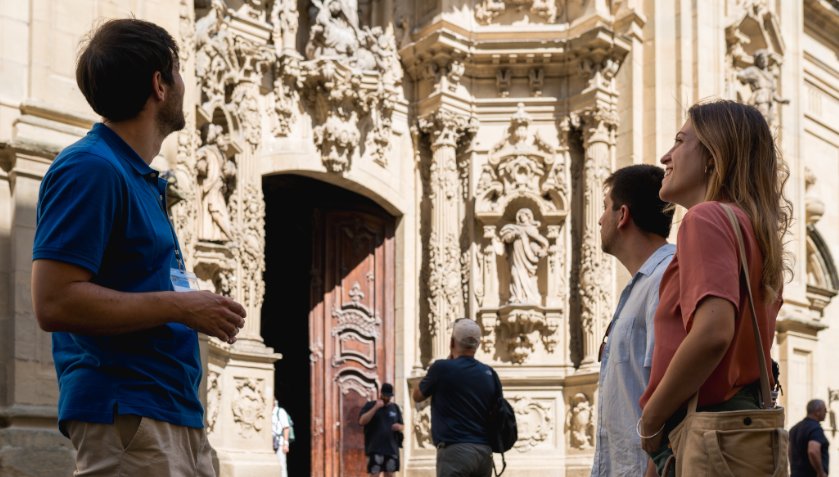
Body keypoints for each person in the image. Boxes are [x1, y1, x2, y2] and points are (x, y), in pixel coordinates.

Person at [31, 19, 247, 476]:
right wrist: (183, 307)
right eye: (179, 71)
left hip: (170, 416)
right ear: (159, 85)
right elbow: (54, 300)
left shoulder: (134, 176)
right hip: (130, 419)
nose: (186, 84)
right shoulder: (91, 168)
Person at [637, 100, 791, 476]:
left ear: (712, 155)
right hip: (738, 432)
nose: (665, 156)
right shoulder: (753, 231)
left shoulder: (705, 219)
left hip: (708, 433)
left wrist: (651, 421)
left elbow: (713, 334)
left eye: (678, 141)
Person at [591, 165, 675, 477]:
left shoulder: (664, 277)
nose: (600, 219)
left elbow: (669, 385)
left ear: (622, 214)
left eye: (605, 208)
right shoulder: (639, 285)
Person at [412, 318, 498, 477]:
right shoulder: (490, 374)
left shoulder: (441, 368)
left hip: (455, 452)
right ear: (477, 345)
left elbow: (417, 395)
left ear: (452, 342)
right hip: (484, 452)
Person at [358, 383, 404, 476]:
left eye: (389, 396)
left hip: (391, 449)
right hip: (375, 448)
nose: (387, 398)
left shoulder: (395, 407)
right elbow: (362, 421)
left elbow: (402, 425)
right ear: (381, 394)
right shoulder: (370, 405)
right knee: (374, 474)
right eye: (385, 396)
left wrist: (399, 427)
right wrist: (376, 407)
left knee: (390, 475)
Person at [790, 399, 829, 477]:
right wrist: (820, 472)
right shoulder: (815, 429)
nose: (826, 412)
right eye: (824, 410)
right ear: (817, 411)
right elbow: (813, 451)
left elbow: (790, 451)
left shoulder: (795, 428)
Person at [272, 399, 292, 477]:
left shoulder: (280, 412)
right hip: (270, 444)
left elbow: (286, 428)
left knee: (281, 465)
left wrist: (285, 444)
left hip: (279, 443)